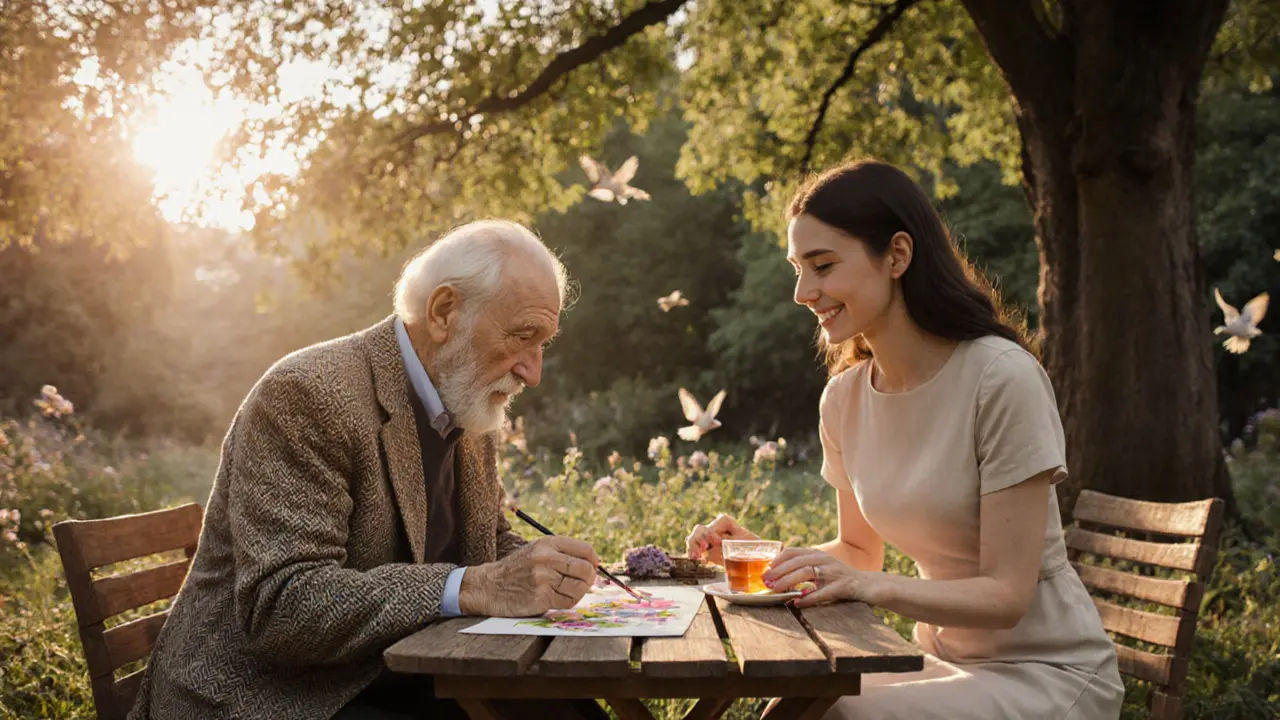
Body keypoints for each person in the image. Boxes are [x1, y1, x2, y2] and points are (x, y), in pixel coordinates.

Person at [685, 161, 1124, 719]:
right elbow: (858, 552)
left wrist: (869, 588)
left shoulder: (1001, 379)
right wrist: (759, 558)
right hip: (942, 659)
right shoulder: (844, 399)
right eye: (797, 269)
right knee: (800, 706)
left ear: (896, 255)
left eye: (822, 265)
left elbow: (1007, 596)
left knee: (836, 714)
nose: (801, 292)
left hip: (1046, 674)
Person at [129, 220, 608, 720]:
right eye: (522, 336)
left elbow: (485, 543)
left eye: (543, 343)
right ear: (444, 312)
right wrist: (478, 586)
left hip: (398, 670)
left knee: (572, 709)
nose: (533, 372)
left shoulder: (465, 401)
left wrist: (547, 566)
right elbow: (281, 606)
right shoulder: (308, 394)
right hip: (278, 695)